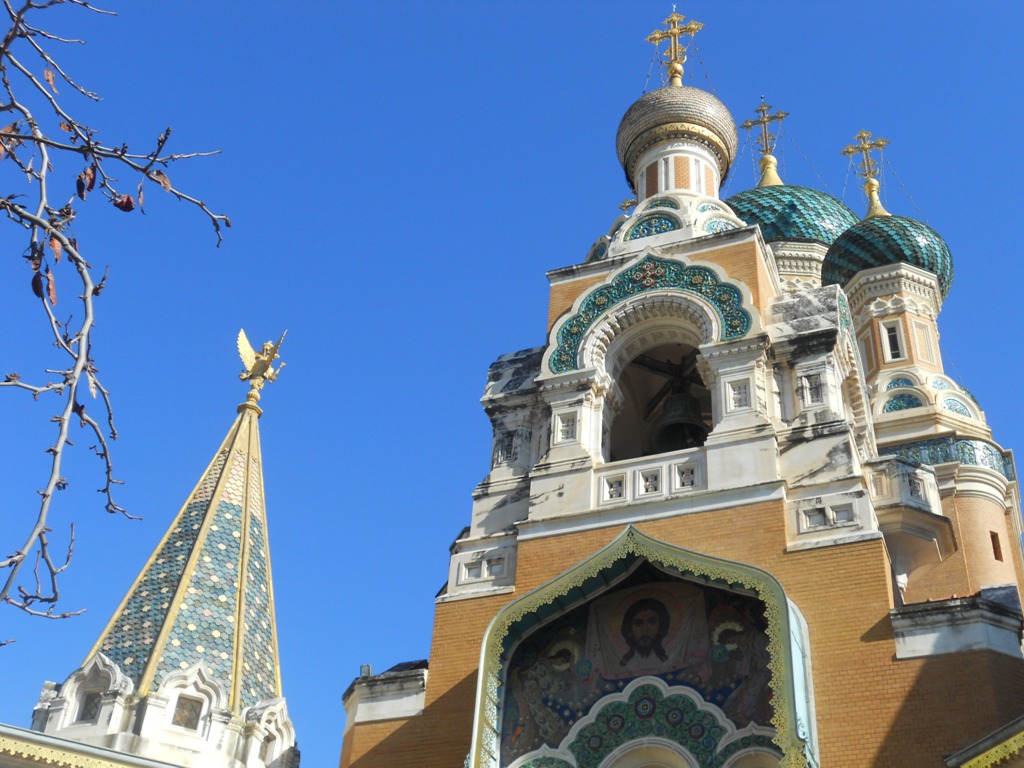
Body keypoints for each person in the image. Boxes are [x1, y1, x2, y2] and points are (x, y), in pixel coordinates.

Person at [619, 597, 670, 666]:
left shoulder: (666, 659)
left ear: (661, 626)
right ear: (629, 629)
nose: (645, 630)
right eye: (638, 623)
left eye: (652, 622)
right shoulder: (626, 662)